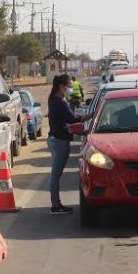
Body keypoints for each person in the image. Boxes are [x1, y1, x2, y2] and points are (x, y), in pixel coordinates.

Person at [47, 74, 92, 215]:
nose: (70, 89)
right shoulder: (60, 102)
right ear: (61, 86)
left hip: (55, 138)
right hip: (60, 140)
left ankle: (56, 204)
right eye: (69, 86)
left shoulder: (54, 99)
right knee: (56, 174)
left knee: (55, 174)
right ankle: (55, 205)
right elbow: (72, 119)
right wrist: (90, 116)